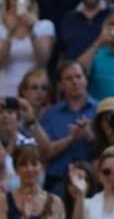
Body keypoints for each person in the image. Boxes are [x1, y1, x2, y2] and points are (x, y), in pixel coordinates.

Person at [33, 60, 95, 193]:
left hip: (93, 178)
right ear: (61, 85)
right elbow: (44, 153)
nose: (75, 82)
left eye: (78, 77)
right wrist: (71, 138)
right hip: (59, 179)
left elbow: (109, 149)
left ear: (86, 80)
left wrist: (89, 136)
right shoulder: (50, 114)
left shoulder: (99, 109)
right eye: (69, 78)